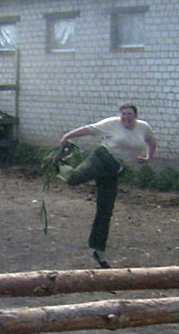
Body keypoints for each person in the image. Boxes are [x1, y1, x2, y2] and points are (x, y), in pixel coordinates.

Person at [58, 103, 156, 268]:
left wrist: (147, 158)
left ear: (135, 116)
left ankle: (99, 252)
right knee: (73, 178)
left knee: (105, 210)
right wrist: (67, 136)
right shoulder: (112, 123)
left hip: (115, 170)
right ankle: (56, 164)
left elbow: (152, 142)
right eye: (123, 114)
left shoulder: (143, 127)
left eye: (129, 114)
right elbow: (89, 129)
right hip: (102, 158)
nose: (126, 117)